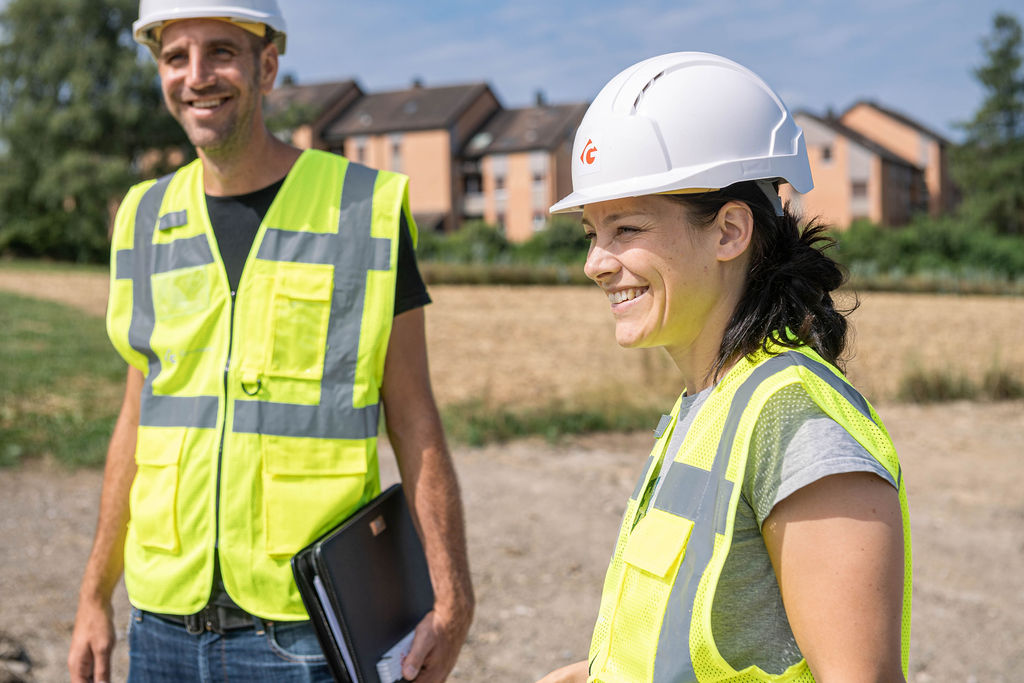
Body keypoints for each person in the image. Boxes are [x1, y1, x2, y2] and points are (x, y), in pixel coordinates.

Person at [67, 2, 473, 681]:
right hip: (161, 625)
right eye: (175, 56)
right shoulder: (142, 217)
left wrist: (453, 596)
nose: (196, 76)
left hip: (304, 629)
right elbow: (137, 419)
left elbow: (412, 412)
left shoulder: (362, 210)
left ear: (268, 65)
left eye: (221, 51)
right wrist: (91, 596)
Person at [537, 52, 911, 682]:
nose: (596, 263)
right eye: (591, 233)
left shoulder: (793, 421)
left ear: (730, 231)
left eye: (626, 228)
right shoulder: (710, 402)